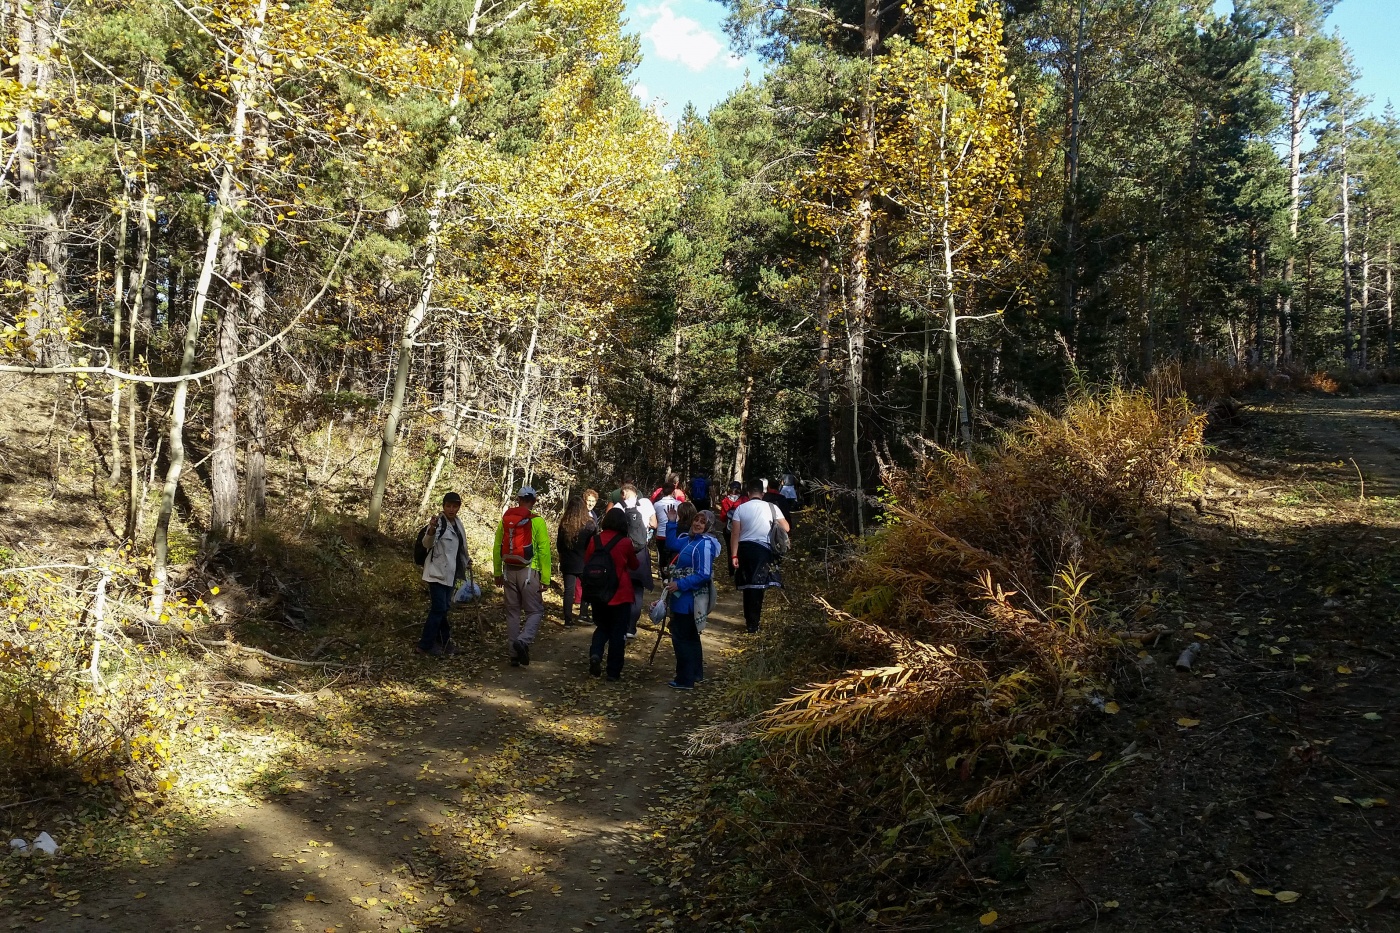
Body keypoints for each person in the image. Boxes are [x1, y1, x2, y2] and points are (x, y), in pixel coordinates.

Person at [493, 485, 556, 667]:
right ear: (534, 501)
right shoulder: (537, 521)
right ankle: (523, 640)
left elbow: (497, 546)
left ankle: (514, 654)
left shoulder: (506, 519)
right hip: (530, 571)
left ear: (518, 500)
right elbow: (544, 551)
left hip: (508, 570)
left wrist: (497, 572)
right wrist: (545, 578)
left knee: (512, 612)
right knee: (535, 611)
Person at [663, 502, 718, 689]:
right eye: (696, 519)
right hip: (682, 598)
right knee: (691, 637)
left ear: (709, 526)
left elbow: (704, 574)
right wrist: (672, 522)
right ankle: (695, 674)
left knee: (682, 639)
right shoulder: (690, 540)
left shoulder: (705, 544)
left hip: (689, 600)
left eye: (703, 522)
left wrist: (680, 584)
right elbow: (671, 543)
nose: (698, 524)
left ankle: (685, 679)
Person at [584, 508, 639, 681]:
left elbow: (587, 561)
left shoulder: (595, 540)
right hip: (620, 593)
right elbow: (634, 565)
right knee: (618, 632)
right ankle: (613, 672)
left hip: (598, 591)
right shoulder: (625, 542)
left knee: (602, 627)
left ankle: (596, 654)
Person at [729, 477, 789, 633]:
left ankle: (749, 620)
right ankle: (754, 623)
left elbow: (735, 534)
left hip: (745, 549)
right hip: (764, 550)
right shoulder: (772, 508)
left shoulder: (740, 509)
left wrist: (734, 556)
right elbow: (786, 528)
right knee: (759, 585)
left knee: (747, 586)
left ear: (748, 493)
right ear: (763, 493)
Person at [417, 492, 471, 657]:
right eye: (448, 506)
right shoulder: (439, 523)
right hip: (436, 573)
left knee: (444, 608)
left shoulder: (458, 524)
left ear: (459, 507)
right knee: (439, 608)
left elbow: (460, 548)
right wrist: (432, 529)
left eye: (455, 506)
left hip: (451, 573)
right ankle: (425, 645)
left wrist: (466, 560)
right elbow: (427, 543)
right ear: (443, 506)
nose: (451, 509)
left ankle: (444, 642)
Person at [613, 483, 655, 638]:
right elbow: (654, 524)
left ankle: (621, 626)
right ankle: (631, 628)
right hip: (641, 554)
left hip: (623, 553)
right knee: (637, 592)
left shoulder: (618, 507)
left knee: (622, 590)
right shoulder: (646, 504)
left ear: (624, 493)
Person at [556, 494, 596, 627]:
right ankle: (583, 614)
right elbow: (593, 544)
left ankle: (568, 620)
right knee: (588, 587)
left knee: (569, 591)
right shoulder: (589, 525)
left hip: (568, 562)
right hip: (584, 562)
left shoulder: (564, 525)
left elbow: (559, 545)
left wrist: (563, 556)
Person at [653, 476, 684, 570]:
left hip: (661, 534)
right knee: (673, 557)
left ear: (662, 491)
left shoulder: (656, 504)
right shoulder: (678, 504)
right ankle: (671, 574)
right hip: (674, 533)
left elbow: (655, 518)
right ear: (673, 492)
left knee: (662, 557)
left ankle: (663, 574)